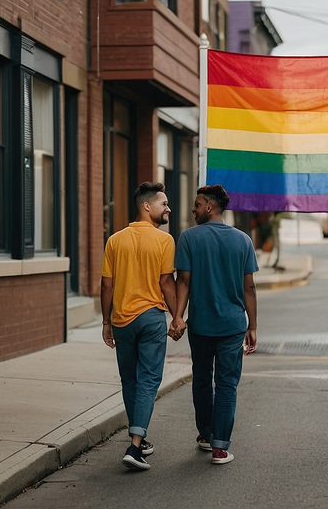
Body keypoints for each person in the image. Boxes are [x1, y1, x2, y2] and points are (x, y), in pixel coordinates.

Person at [169, 184, 258, 465]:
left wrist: (178, 316)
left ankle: (206, 435)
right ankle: (220, 447)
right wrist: (252, 326)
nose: (193, 210)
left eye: (196, 205)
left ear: (209, 207)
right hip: (232, 326)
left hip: (201, 326)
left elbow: (183, 281)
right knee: (227, 385)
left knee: (203, 381)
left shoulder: (189, 238)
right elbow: (249, 288)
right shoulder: (243, 240)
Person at [100, 181, 181, 471]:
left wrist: (106, 321)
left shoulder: (115, 240)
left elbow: (106, 286)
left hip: (121, 319)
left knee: (130, 381)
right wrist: (177, 316)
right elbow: (165, 283)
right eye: (163, 203)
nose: (168, 207)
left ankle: (140, 439)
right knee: (148, 381)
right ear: (147, 206)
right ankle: (135, 446)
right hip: (150, 318)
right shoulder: (164, 240)